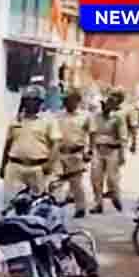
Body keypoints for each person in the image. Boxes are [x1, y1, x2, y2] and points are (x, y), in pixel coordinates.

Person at [1, 85, 61, 206]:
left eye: (34, 100)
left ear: (40, 102)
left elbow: (56, 144)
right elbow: (8, 144)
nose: (31, 103)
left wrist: (49, 165)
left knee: (38, 205)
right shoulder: (16, 120)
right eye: (28, 100)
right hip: (15, 167)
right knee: (12, 203)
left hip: (38, 168)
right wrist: (3, 165)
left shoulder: (48, 121)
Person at [89, 87, 130, 213]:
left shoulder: (118, 118)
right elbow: (92, 133)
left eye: (110, 104)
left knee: (112, 178)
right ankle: (98, 203)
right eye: (105, 103)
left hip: (112, 151)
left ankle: (115, 195)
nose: (106, 106)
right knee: (96, 178)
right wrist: (90, 149)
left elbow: (123, 138)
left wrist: (122, 154)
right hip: (98, 150)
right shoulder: (96, 116)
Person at [54, 89, 93, 218]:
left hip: (76, 153)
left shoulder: (85, 116)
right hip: (59, 153)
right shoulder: (57, 116)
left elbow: (92, 134)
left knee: (76, 183)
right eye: (65, 100)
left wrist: (89, 151)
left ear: (77, 101)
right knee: (56, 182)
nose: (67, 103)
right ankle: (54, 207)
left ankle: (80, 208)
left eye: (70, 100)